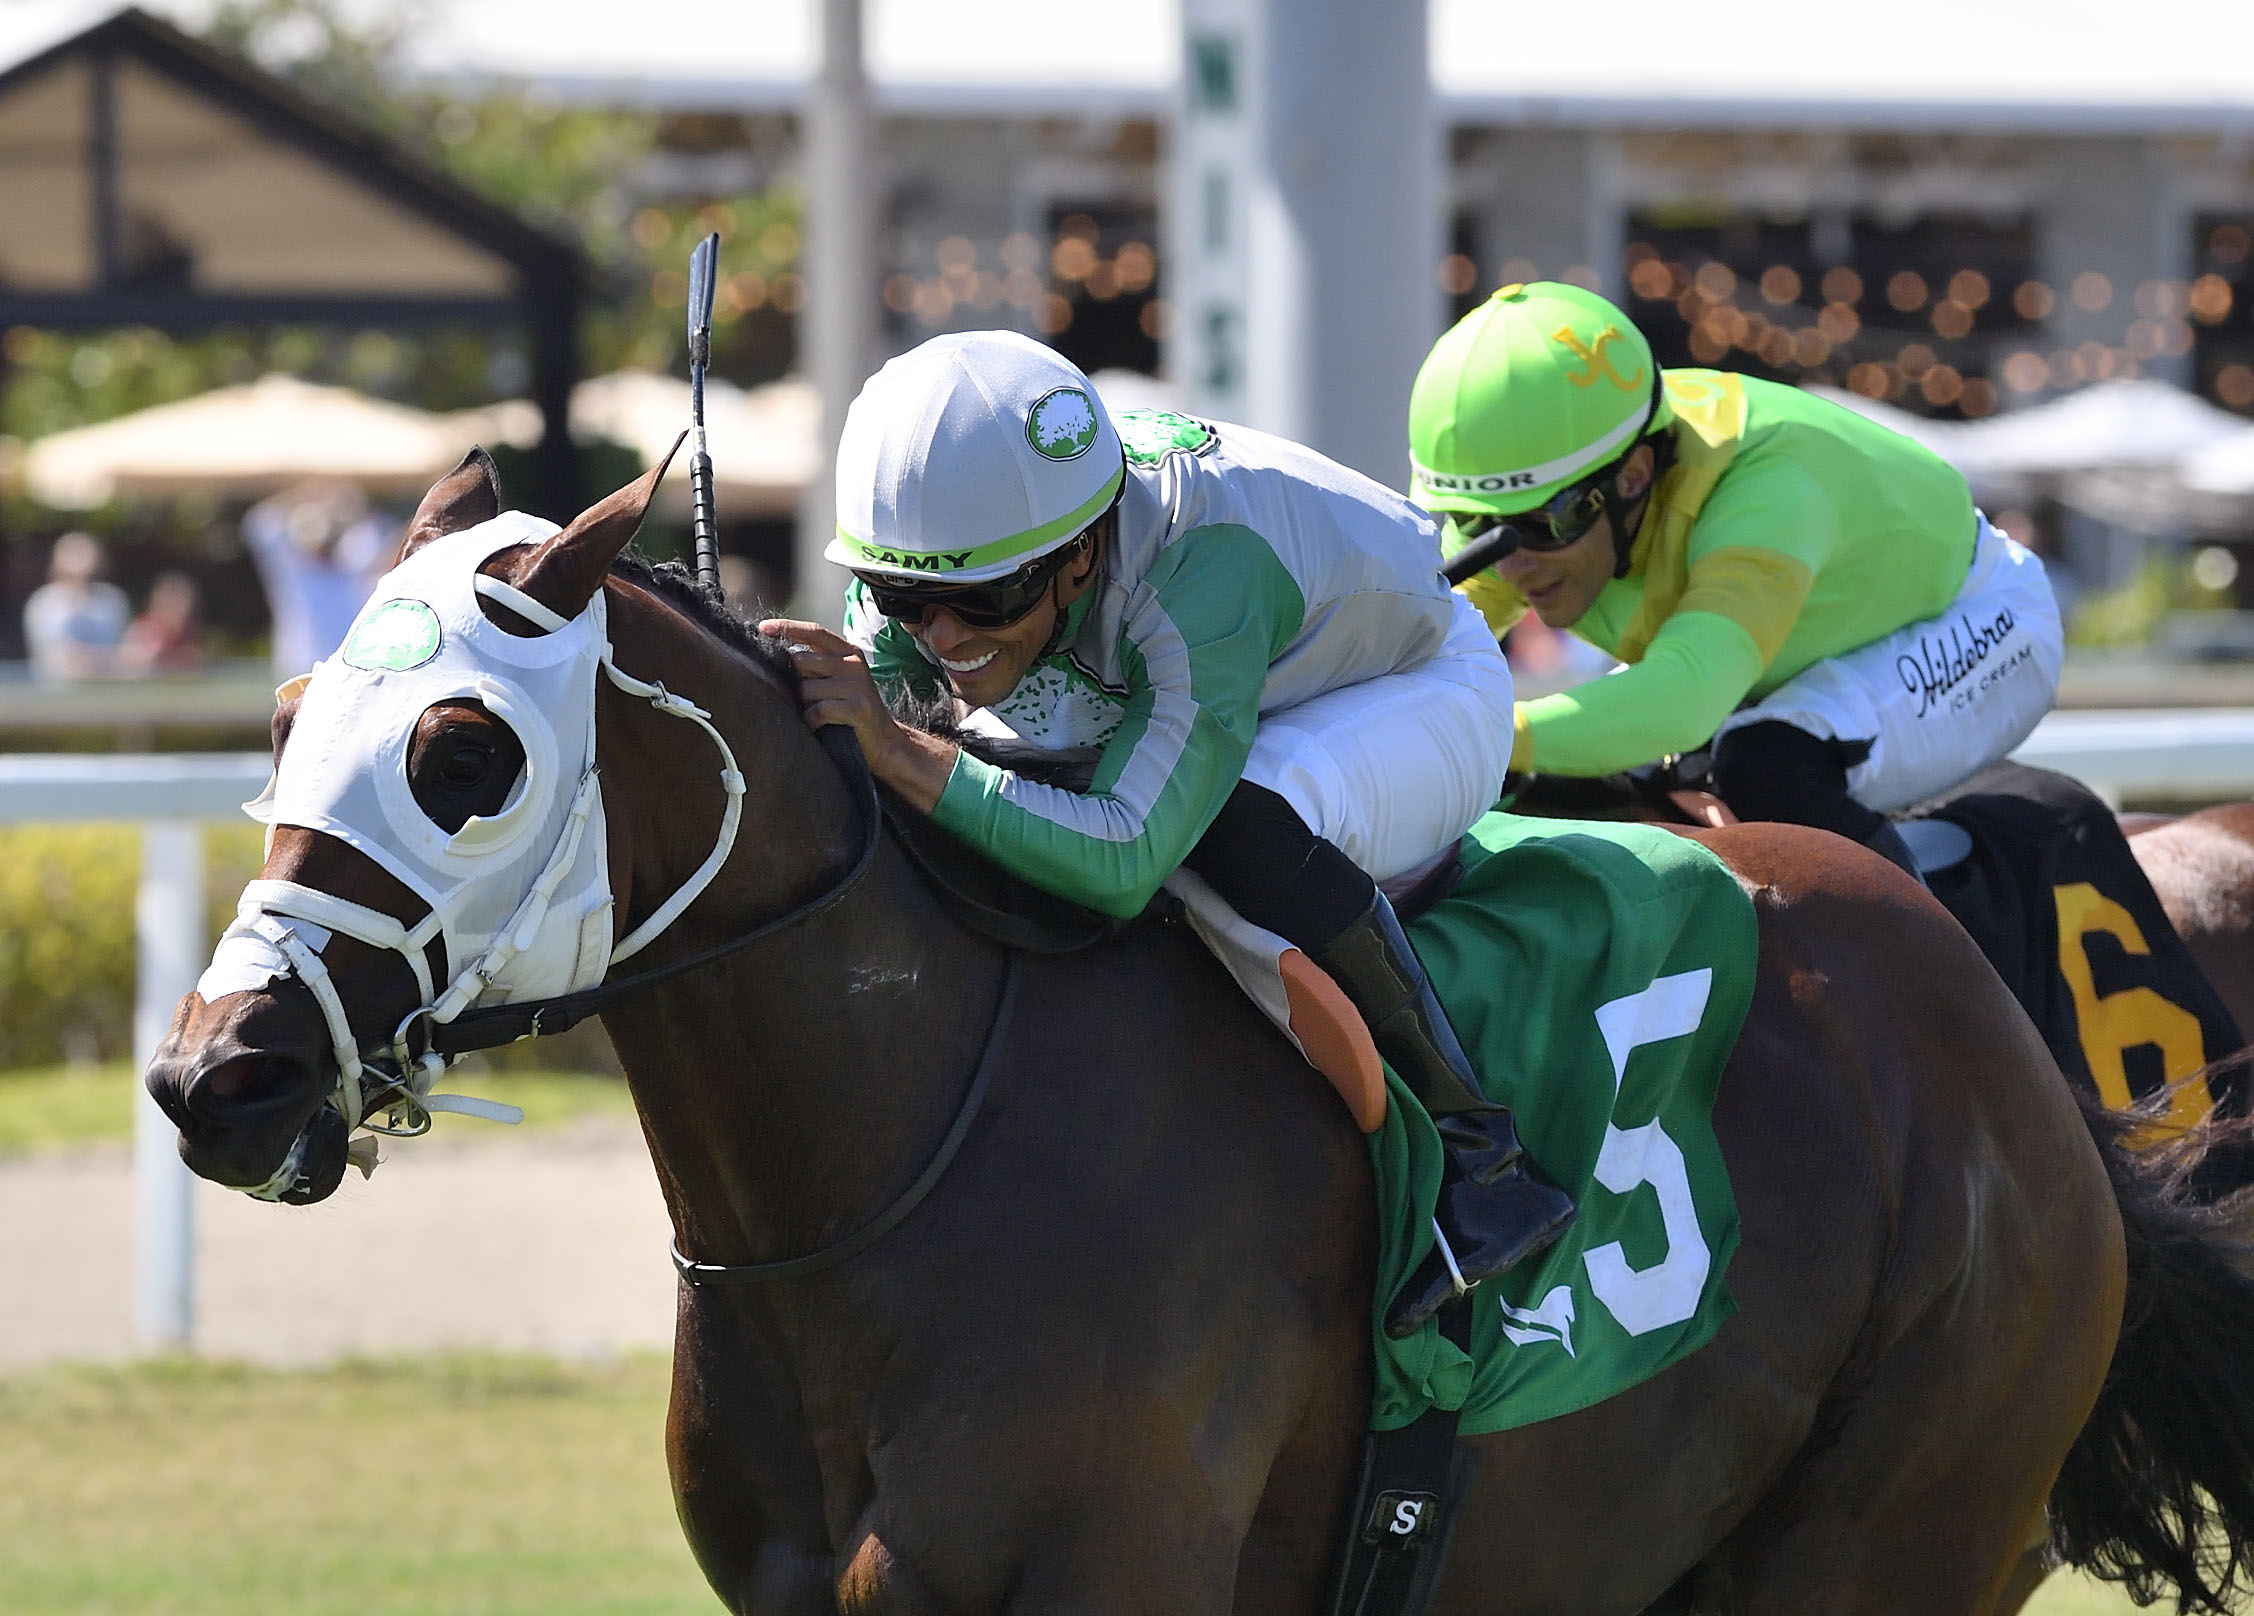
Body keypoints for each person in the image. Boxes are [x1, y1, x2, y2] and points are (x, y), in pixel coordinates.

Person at [765, 330, 1574, 1335]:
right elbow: (868, 751)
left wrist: (895, 748)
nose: (941, 637)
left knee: (1233, 817)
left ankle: (1479, 1157)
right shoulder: (942, 558)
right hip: (1193, 672)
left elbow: (1118, 857)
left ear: (1082, 549)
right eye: (902, 598)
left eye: (984, 600)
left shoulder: (1202, 570)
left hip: (1411, 682)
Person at [1409, 281, 2063, 874]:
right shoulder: (1566, 487)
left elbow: (1683, 699)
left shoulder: (1771, 490)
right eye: (1474, 525)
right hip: (1785, 657)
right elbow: (1419, 642)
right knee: (1549, 784)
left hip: (1982, 619)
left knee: (1768, 762)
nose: (1509, 561)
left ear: (1633, 476)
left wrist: (1487, 734)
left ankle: (1933, 992)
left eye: (1538, 526)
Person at [241, 481, 397, 677]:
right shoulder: (295, 572)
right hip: (300, 672)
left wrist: (347, 502)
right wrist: (309, 492)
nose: (323, 544)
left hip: (348, 670)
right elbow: (259, 521)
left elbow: (379, 530)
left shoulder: (352, 566)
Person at [22, 532, 129, 681]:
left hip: (105, 693)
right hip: (54, 695)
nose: (78, 557)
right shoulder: (43, 602)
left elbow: (122, 653)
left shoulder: (112, 599)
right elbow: (55, 657)